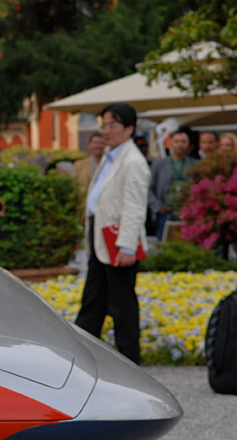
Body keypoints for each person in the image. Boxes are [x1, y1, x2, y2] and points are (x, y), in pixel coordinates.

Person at [75, 102, 150, 365]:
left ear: (129, 129)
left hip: (118, 242)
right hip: (101, 238)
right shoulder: (111, 156)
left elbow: (135, 207)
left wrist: (127, 247)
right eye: (103, 125)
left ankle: (130, 362)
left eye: (112, 125)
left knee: (122, 306)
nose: (106, 131)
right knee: (93, 301)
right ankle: (83, 358)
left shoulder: (132, 161)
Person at [148, 128, 195, 240]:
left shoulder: (194, 164)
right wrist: (158, 207)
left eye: (183, 142)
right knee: (163, 243)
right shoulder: (159, 164)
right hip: (166, 211)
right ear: (171, 143)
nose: (180, 145)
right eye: (177, 141)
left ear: (188, 145)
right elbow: (148, 188)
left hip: (187, 211)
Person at [72, 132, 106, 212]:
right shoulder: (79, 165)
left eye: (101, 143)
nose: (98, 146)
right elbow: (73, 187)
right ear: (89, 145)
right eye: (95, 143)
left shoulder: (109, 165)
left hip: (104, 210)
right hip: (84, 210)